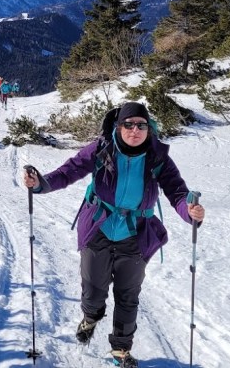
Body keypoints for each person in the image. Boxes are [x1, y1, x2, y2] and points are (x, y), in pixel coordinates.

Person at [22, 101, 205, 368]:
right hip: (99, 226)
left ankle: (121, 348)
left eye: (141, 125)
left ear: (149, 128)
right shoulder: (101, 149)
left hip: (136, 233)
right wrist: (41, 183)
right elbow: (69, 171)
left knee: (128, 294)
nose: (134, 130)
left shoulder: (158, 157)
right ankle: (91, 317)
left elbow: (177, 192)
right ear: (118, 127)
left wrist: (189, 211)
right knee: (93, 287)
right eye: (128, 124)